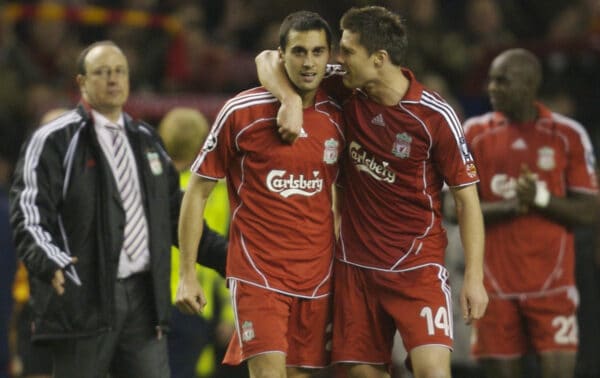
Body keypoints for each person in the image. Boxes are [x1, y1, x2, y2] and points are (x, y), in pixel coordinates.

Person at [256, 6, 488, 378]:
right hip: (356, 268)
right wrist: (289, 100)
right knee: (363, 374)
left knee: (433, 372)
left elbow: (467, 198)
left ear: (379, 59)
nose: (337, 59)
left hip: (417, 267)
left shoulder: (434, 115)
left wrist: (475, 278)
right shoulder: (344, 88)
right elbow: (267, 59)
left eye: (347, 51)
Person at [8, 40, 227, 378]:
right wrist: (51, 260)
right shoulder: (54, 139)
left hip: (144, 298)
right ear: (81, 82)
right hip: (83, 295)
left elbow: (176, 216)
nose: (113, 79)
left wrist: (231, 258)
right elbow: (28, 211)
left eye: (119, 71)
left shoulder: (147, 141)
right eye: (102, 72)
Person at [176, 11, 345, 378]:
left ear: (329, 56)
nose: (308, 61)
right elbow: (196, 191)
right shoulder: (242, 112)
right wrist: (187, 272)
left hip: (318, 275)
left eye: (318, 52)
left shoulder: (338, 113)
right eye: (298, 52)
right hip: (258, 274)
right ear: (282, 55)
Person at [461, 48, 599, 378]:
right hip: (492, 287)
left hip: (552, 286)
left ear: (529, 84)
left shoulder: (568, 135)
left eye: (502, 81)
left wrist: (541, 198)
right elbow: (454, 209)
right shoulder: (474, 133)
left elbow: (590, 211)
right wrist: (508, 206)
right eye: (491, 80)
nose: (491, 88)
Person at [158, 107, 242, 378]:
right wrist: (231, 314)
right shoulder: (212, 192)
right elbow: (225, 248)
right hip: (196, 302)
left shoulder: (155, 187)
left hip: (149, 303)